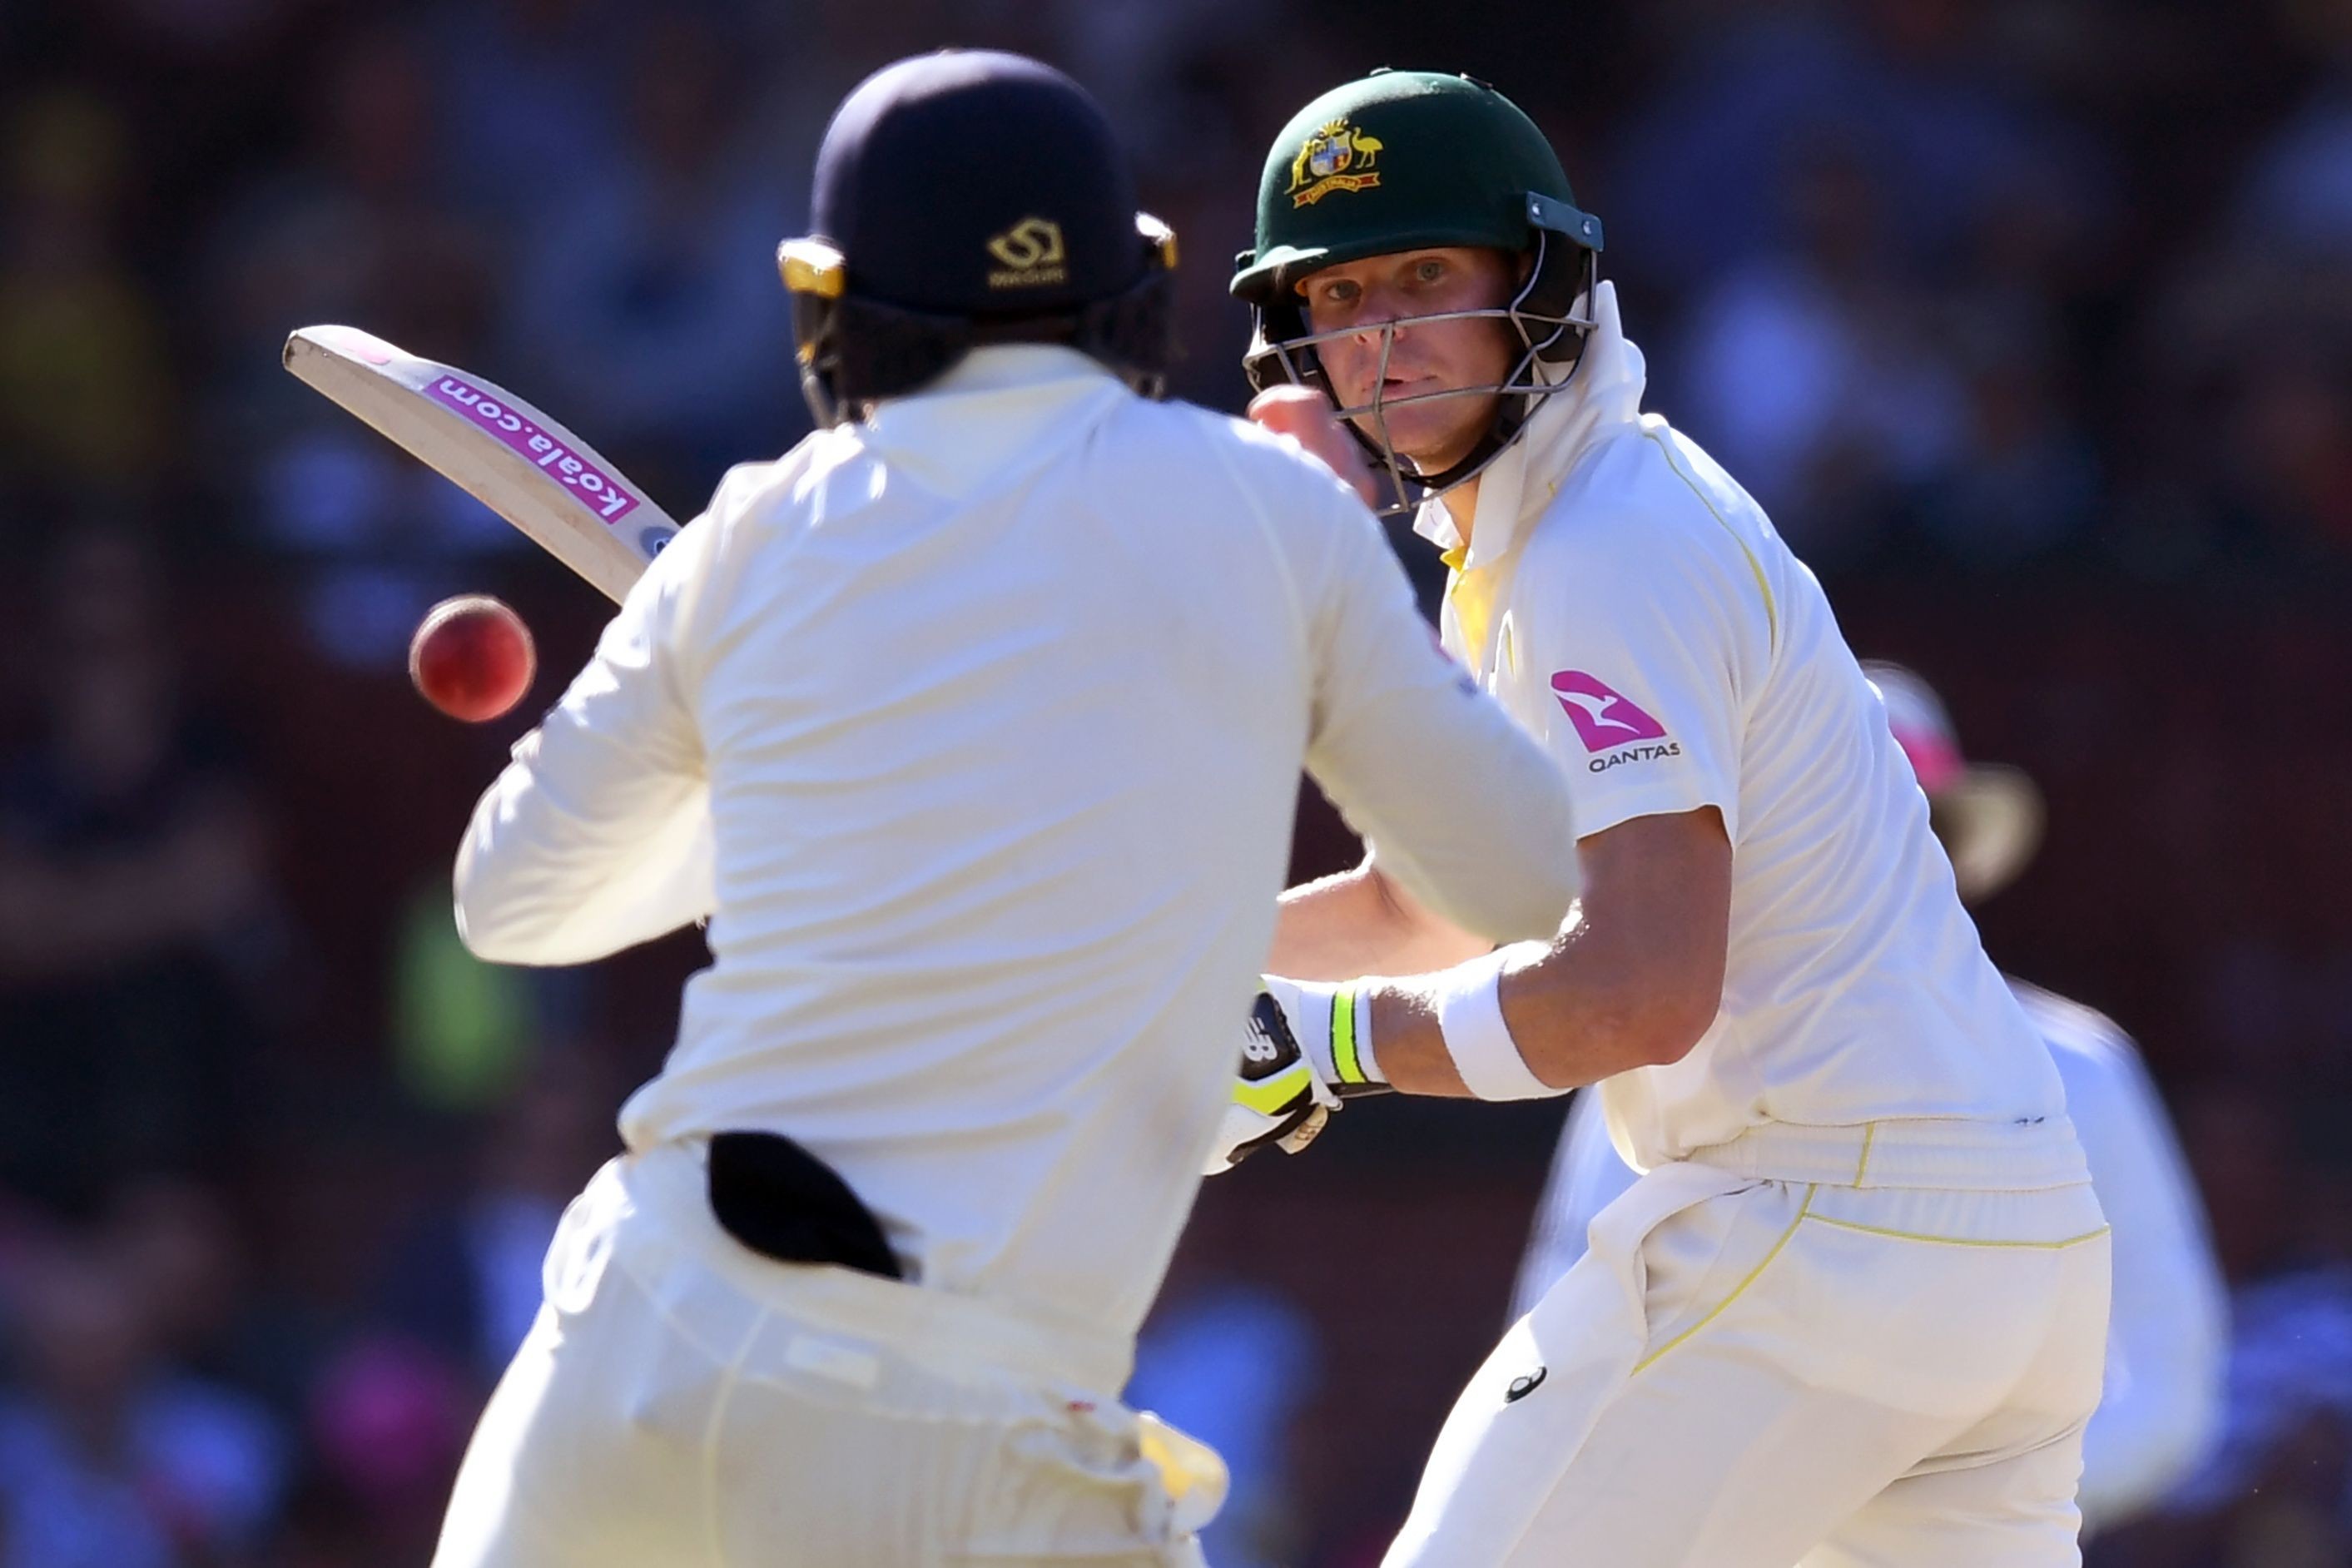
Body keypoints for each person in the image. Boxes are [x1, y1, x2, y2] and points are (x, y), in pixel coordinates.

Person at [431, 51, 1583, 1568]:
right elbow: (1520, 875)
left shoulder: (757, 530)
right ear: (1132, 284)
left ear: (831, 301)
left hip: (635, 1346)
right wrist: (1335, 583)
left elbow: (512, 898)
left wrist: (805, 793)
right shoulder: (1272, 511)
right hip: (956, 1436)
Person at [1213, 70, 2111, 1566]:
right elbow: (1439, 900)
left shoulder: (1597, 547)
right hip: (2002, 1250)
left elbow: (1635, 989)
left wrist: (1327, 1045)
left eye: (1427, 275)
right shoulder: (1566, 522)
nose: (1379, 342)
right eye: (1341, 294)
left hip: (1824, 1226)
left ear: (1540, 282)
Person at [1513, 662, 2229, 1540]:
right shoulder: (1661, 1064)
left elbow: (2167, 1387)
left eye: (1901, 832)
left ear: (1954, 851)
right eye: (1829, 833)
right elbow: (1557, 1348)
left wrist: (1956, 1511)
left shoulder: (2081, 1074)